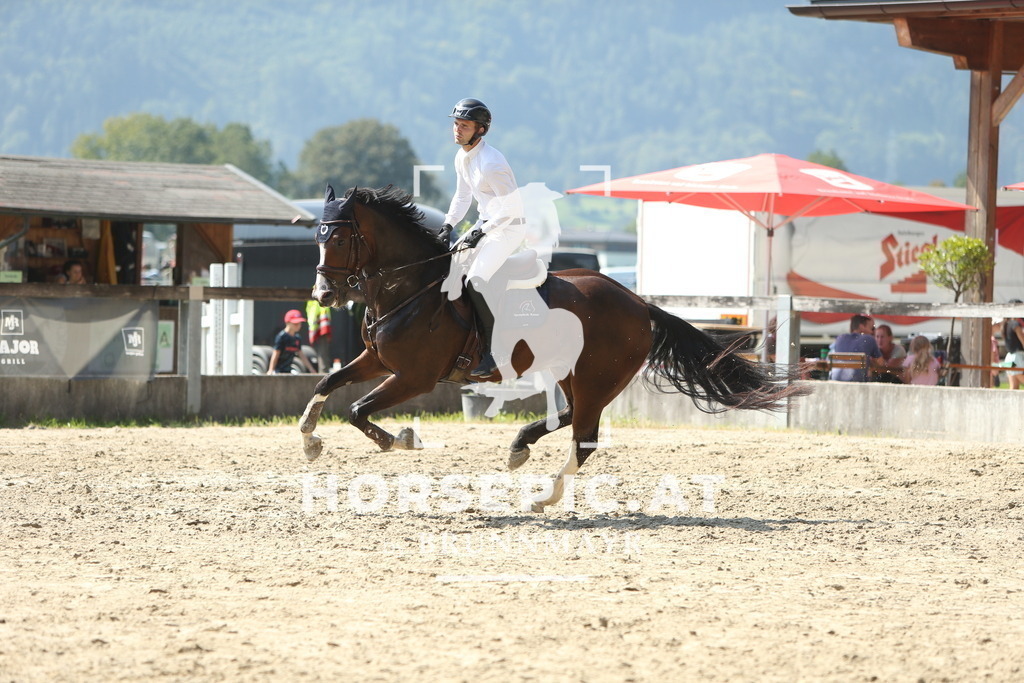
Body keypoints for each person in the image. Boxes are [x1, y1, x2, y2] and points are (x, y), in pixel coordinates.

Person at [439, 98, 526, 379]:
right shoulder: (462, 156)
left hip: (509, 227)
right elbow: (463, 196)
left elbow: (511, 208)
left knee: (476, 279)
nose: (457, 129)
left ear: (481, 131)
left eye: (464, 126)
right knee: (447, 269)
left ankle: (495, 351)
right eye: (456, 123)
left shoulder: (492, 164)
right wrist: (448, 224)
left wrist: (483, 231)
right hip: (485, 224)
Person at [828, 314, 883, 382]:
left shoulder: (840, 338)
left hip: (835, 379)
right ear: (862, 326)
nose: (873, 331)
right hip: (858, 381)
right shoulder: (869, 339)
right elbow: (881, 364)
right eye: (872, 328)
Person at [267, 309, 316, 375]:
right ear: (288, 323)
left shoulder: (297, 338)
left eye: (299, 323)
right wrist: (271, 370)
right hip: (278, 371)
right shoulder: (282, 337)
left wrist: (311, 369)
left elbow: (301, 354)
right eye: (295, 324)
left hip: (288, 370)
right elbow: (276, 354)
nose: (298, 326)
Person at [1003, 299, 1024, 390]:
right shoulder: (1015, 324)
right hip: (1017, 358)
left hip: (1009, 358)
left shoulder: (1005, 324)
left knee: (1014, 388)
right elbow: (1022, 340)